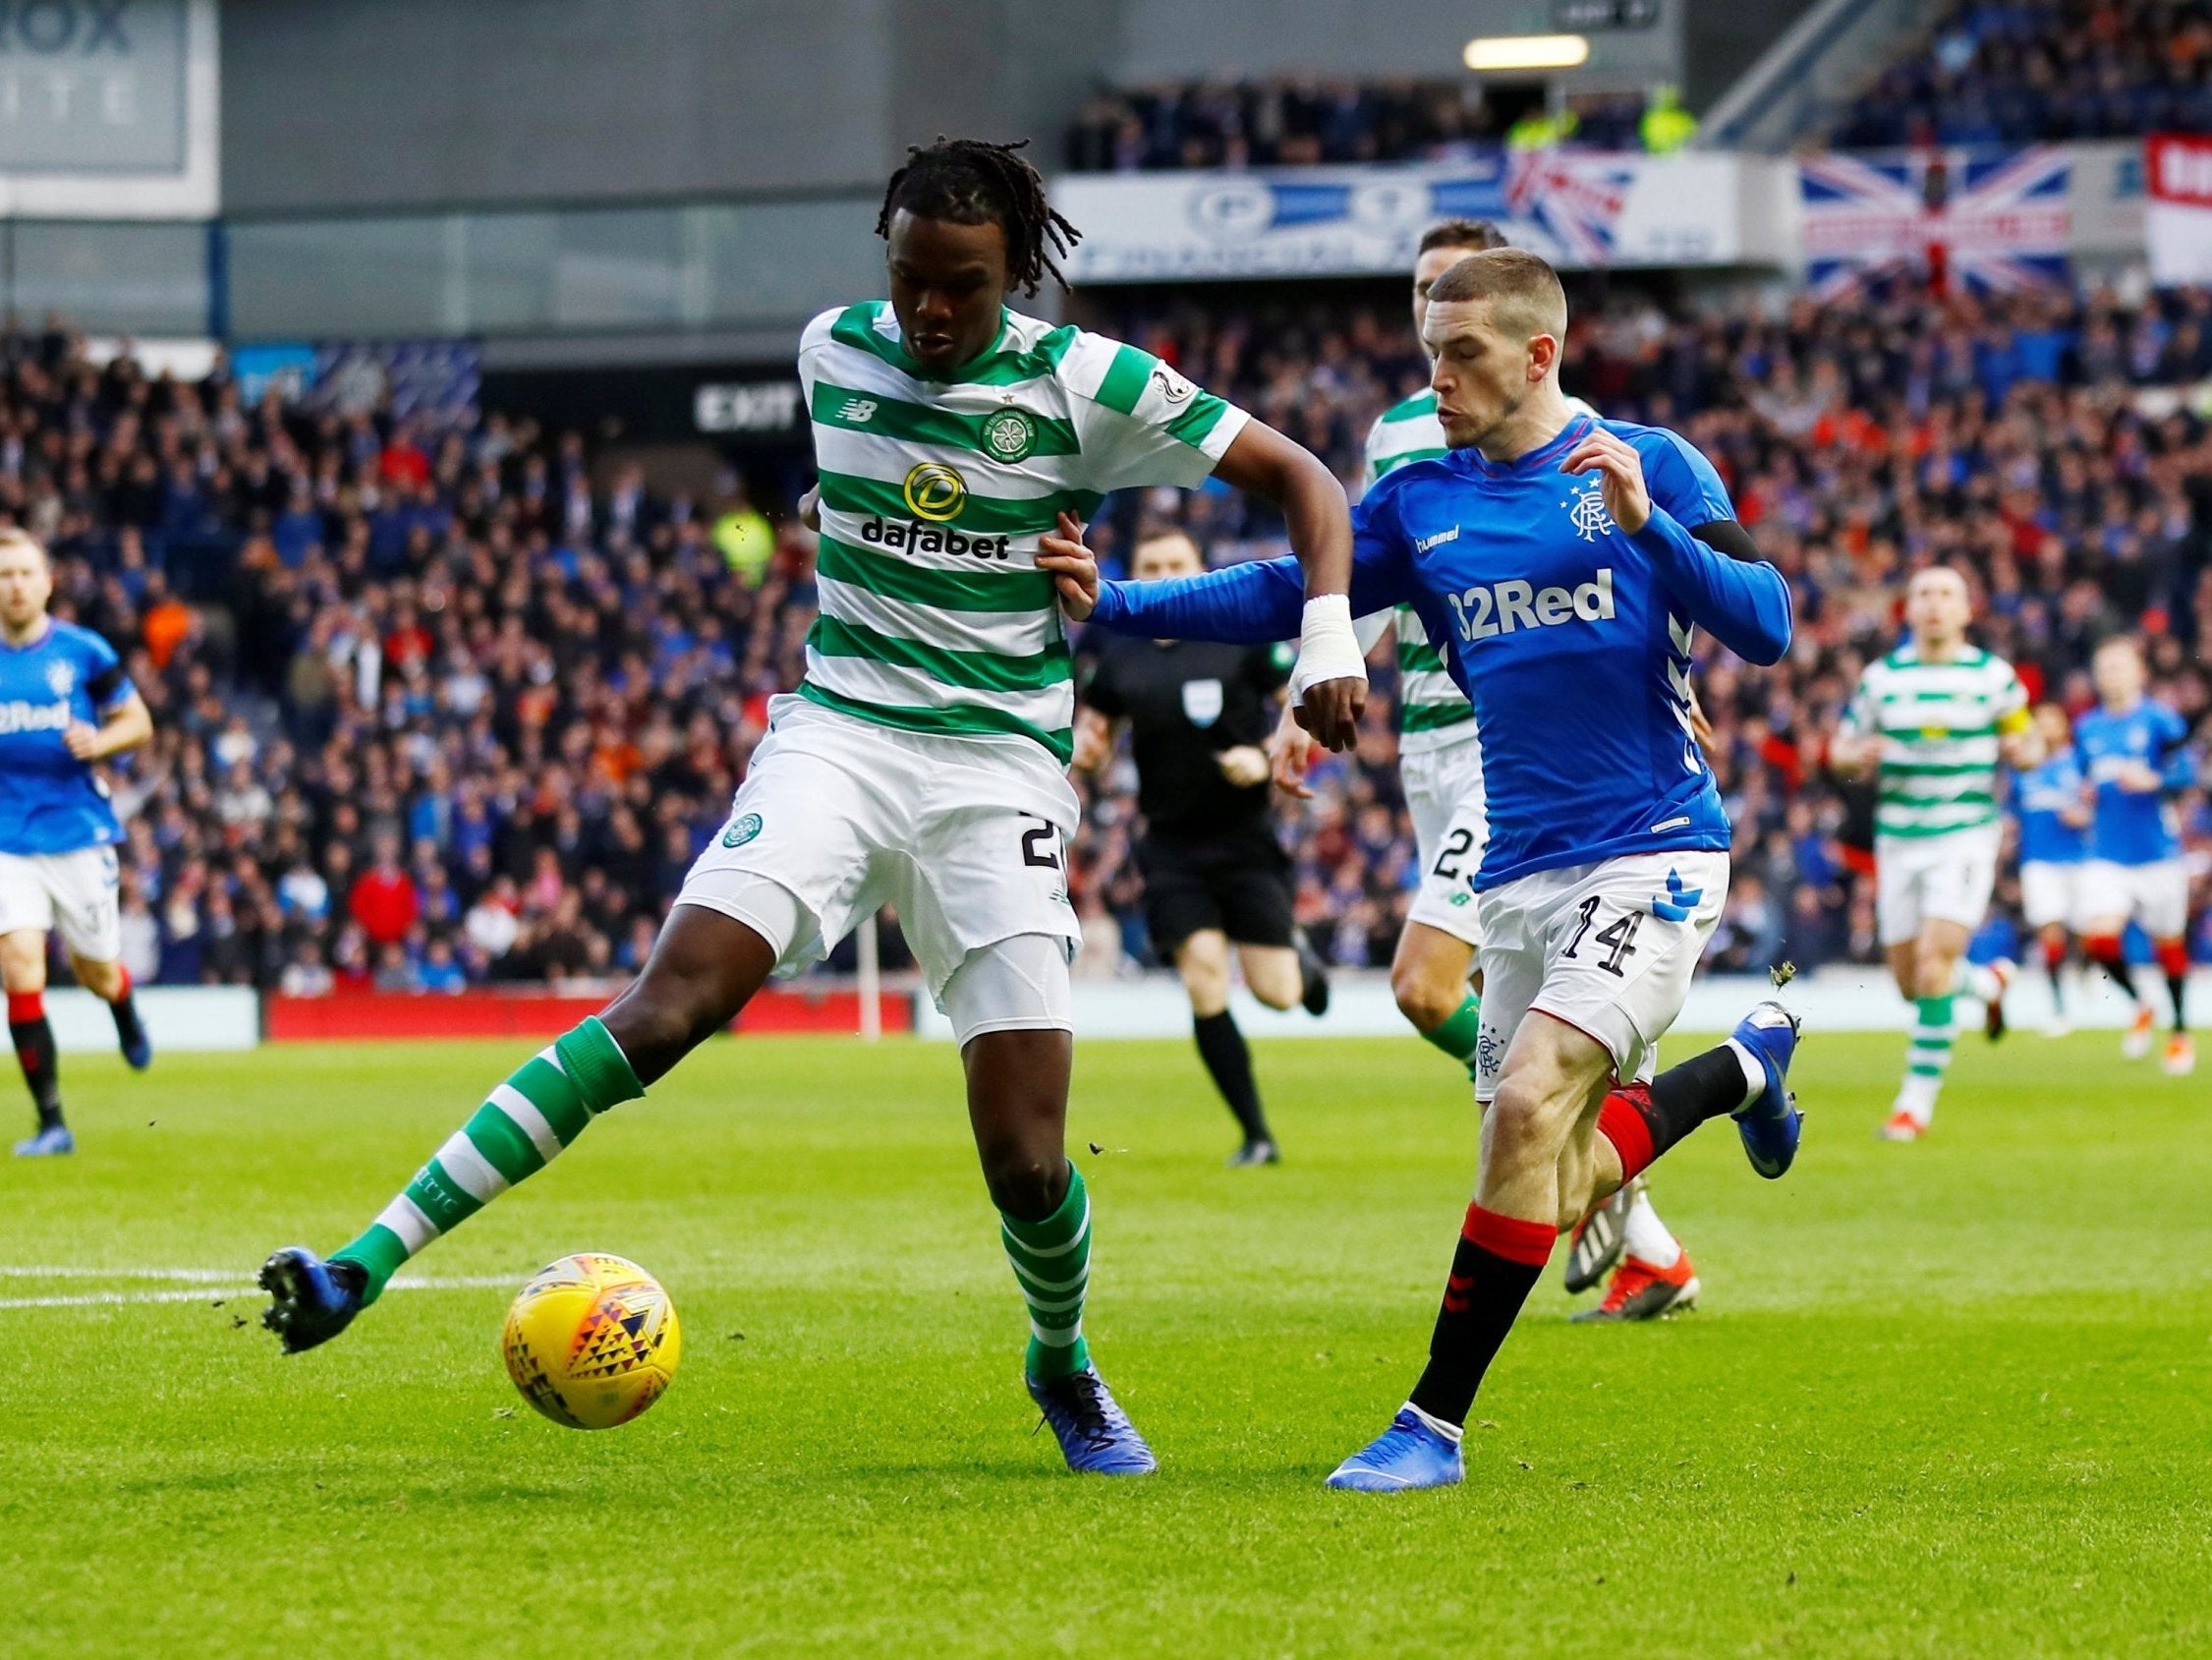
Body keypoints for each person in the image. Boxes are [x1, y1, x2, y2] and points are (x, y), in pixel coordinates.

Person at [258, 137, 1369, 1479]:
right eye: (910, 281)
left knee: (1024, 1159)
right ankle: (364, 1263)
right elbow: (858, 489)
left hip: (996, 772)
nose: (930, 314)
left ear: (1014, 273)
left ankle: (1059, 1359)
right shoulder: (829, 351)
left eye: (960, 286)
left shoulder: (1092, 386)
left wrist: (1323, 638)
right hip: (837, 738)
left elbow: (1308, 482)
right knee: (662, 1010)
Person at [1040, 248, 1804, 1492]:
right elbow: (1289, 589)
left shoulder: (1646, 461)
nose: (1435, 380)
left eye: (1462, 356)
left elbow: (1766, 623)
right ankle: (1740, 1070)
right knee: (1545, 1191)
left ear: (1538, 355)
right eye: (1428, 354)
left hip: (1655, 848)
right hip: (1516, 869)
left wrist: (1650, 531)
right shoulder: (1420, 499)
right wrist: (1112, 602)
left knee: (1524, 1103)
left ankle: (1430, 1428)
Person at [1276, 215, 1700, 1320]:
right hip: (1423, 743)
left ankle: (1592, 1139)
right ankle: (1648, 1208)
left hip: (1498, 751)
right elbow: (1363, 575)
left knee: (1424, 990)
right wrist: (1312, 676)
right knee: (1526, 1144)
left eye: (1456, 317)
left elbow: (1644, 591)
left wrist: (1673, 669)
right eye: (1424, 310)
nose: (1437, 343)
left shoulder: (1588, 446)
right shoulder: (1404, 445)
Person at [1074, 528, 1327, 1167]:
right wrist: (1086, 751)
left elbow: (1300, 704)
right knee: (1204, 981)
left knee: (1275, 991)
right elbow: (1096, 734)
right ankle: (1256, 1134)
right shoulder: (1120, 654)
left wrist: (1265, 750)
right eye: (1149, 564)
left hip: (1245, 843)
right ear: (1132, 570)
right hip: (1170, 849)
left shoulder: (1235, 635)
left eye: (1175, 563)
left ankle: (1298, 960)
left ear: (1198, 568)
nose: (1162, 572)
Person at [1831, 568, 2039, 1141]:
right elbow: (1840, 748)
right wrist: (1856, 754)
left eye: (1946, 595)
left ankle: (1912, 1107)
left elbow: (2030, 740)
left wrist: (2025, 748)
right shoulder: (1882, 679)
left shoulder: (1993, 678)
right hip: (1898, 840)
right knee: (1910, 982)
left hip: (1965, 834)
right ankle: (1990, 984)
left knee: (1931, 964)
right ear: (1909, 610)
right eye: (1923, 595)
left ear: (1966, 610)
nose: (1934, 605)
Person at [0, 529, 156, 1156]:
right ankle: (52, 1124)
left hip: (78, 835)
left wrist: (101, 743)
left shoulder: (82, 651)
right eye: (4, 575)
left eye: (24, 574)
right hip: (9, 840)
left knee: (95, 970)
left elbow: (139, 721)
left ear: (47, 581)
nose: (14, 585)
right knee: (19, 966)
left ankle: (122, 1005)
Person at [2074, 637, 2196, 1076]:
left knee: (2170, 946)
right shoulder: (2087, 728)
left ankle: (2180, 1033)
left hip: (2157, 852)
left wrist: (2154, 780)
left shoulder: (2160, 721)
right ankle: (2140, 1003)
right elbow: (2084, 779)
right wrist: (2083, 796)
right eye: (2103, 668)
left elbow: (2188, 772)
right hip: (2107, 852)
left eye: (2119, 667)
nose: (2110, 675)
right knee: (2100, 940)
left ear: (2139, 673)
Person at [2013, 703, 2092, 1037]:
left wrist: (2085, 817)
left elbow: (2098, 806)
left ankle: (2089, 972)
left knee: (2091, 932)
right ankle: (2059, 1008)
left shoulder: (2079, 762)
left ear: (2064, 727)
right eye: (2039, 721)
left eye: (2051, 721)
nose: (2044, 728)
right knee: (2050, 932)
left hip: (2081, 859)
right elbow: (2013, 814)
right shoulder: (2022, 770)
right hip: (2039, 862)